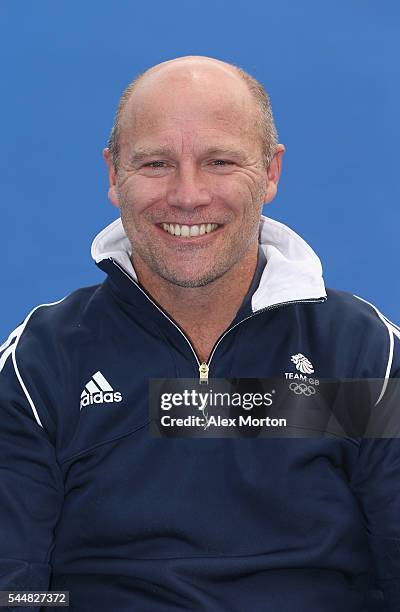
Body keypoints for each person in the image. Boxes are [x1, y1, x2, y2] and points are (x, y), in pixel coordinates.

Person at [0, 55, 399, 611]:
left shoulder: (366, 354)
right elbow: (13, 591)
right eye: (157, 163)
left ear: (270, 172)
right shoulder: (37, 366)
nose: (188, 196)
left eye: (219, 161)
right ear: (114, 175)